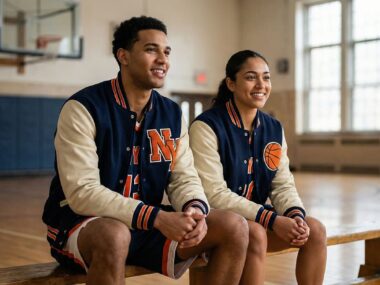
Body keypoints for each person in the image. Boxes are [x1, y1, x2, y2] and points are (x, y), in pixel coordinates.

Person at [42, 16, 249, 285]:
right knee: (114, 235)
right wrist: (157, 218)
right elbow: (83, 193)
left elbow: (183, 177)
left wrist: (194, 208)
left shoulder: (172, 114)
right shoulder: (83, 108)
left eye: (167, 51)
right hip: (83, 225)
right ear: (123, 56)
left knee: (234, 226)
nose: (163, 59)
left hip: (147, 224)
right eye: (152, 49)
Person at [189, 50, 327, 285]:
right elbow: (214, 195)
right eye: (251, 77)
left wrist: (295, 215)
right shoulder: (206, 126)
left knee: (314, 230)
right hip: (214, 223)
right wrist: (272, 220)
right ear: (231, 83)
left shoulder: (273, 128)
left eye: (266, 77)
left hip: (256, 220)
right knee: (255, 232)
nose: (261, 85)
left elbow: (282, 183)